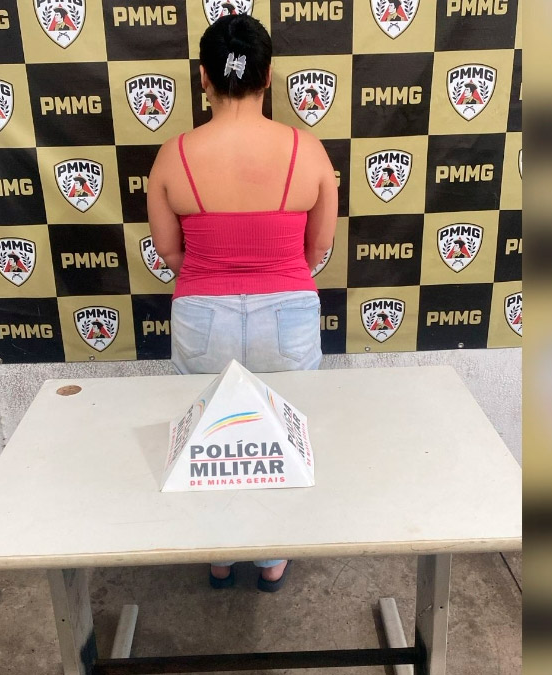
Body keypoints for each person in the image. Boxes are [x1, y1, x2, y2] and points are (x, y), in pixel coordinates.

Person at [146, 14, 337, 593]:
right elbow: (318, 248)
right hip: (289, 315)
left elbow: (169, 252)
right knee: (282, 439)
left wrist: (218, 275)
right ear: (268, 76)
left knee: (210, 438)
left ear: (204, 77)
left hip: (202, 315)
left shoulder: (173, 156)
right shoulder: (307, 150)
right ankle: (272, 559)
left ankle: (219, 556)